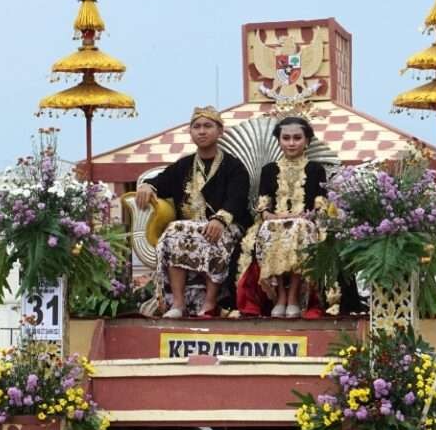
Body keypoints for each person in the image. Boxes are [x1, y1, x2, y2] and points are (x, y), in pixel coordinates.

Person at [133, 105, 252, 318]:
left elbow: (237, 197)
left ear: (220, 131)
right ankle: (178, 304)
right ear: (191, 132)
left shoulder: (234, 167)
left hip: (226, 225)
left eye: (208, 126)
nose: (202, 131)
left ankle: (210, 303)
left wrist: (220, 219)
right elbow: (161, 181)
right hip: (189, 228)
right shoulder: (183, 165)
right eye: (196, 127)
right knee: (175, 230)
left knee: (213, 234)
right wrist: (147, 186)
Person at [240, 115, 328, 318]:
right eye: (286, 138)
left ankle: (294, 295)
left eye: (297, 138)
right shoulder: (269, 170)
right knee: (272, 229)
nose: (291, 143)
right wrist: (269, 215)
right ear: (278, 140)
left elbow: (320, 203)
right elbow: (263, 204)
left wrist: (305, 215)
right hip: (275, 223)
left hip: (307, 223)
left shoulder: (316, 169)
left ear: (307, 141)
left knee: (298, 227)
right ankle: (280, 294)